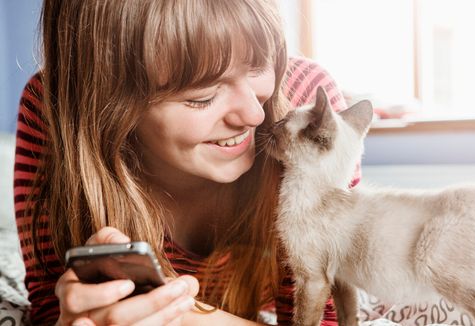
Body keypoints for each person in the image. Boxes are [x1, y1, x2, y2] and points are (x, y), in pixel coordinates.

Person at [14, 0, 358, 325]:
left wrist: (185, 317)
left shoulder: (306, 109)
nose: (255, 115)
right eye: (202, 97)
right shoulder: (53, 110)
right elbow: (51, 304)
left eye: (258, 65)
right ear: (109, 103)